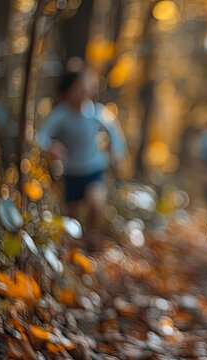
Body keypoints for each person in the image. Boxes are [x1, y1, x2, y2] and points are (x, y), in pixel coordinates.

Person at [36, 64, 127, 252]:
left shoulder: (97, 112)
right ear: (67, 91)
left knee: (96, 201)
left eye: (84, 86)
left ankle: (93, 238)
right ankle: (76, 248)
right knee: (72, 216)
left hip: (94, 169)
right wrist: (51, 146)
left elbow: (114, 132)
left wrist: (118, 152)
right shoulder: (61, 114)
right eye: (76, 88)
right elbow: (41, 136)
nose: (81, 92)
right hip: (72, 171)